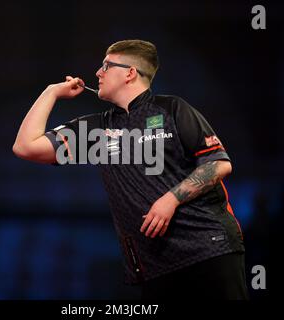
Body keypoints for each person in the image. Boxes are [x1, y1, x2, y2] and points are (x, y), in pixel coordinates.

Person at [12, 39, 248, 300]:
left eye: (106, 65)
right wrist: (51, 92)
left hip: (209, 248)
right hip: (155, 264)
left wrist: (170, 199)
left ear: (130, 73)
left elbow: (218, 163)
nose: (97, 73)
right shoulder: (97, 131)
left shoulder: (172, 109)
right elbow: (25, 147)